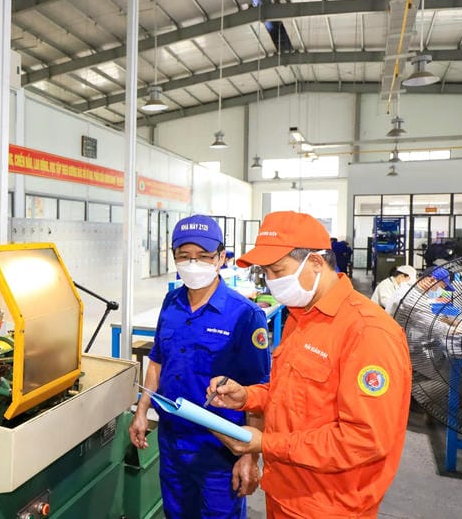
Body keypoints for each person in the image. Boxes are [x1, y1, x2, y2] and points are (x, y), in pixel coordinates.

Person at [206, 210, 412, 518]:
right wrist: (248, 396)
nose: (271, 282)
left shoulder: (368, 332)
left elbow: (364, 439)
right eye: (266, 273)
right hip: (283, 492)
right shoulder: (300, 316)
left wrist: (265, 444)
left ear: (315, 262)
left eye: (277, 271)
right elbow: (293, 394)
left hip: (330, 505)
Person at [129, 214, 271, 519]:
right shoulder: (171, 302)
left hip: (219, 449)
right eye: (185, 256)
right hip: (172, 441)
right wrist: (142, 410)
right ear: (174, 257)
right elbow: (157, 361)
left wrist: (250, 455)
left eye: (204, 256)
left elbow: (259, 391)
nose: (193, 263)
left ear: (220, 257)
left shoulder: (245, 315)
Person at [385, 266, 455, 317]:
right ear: (432, 280)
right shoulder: (413, 297)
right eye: (441, 287)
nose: (440, 291)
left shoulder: (408, 288)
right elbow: (434, 325)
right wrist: (457, 328)